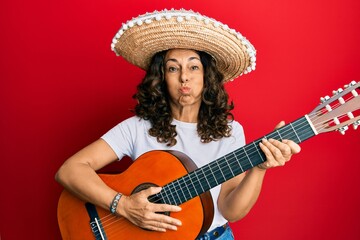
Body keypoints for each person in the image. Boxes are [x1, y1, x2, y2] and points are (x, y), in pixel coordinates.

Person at [55, 9, 301, 240]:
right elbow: (69, 170)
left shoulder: (230, 132)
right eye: (173, 68)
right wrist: (123, 205)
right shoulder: (137, 127)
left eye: (194, 67)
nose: (184, 76)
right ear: (161, 78)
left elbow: (229, 210)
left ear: (207, 76)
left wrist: (259, 168)